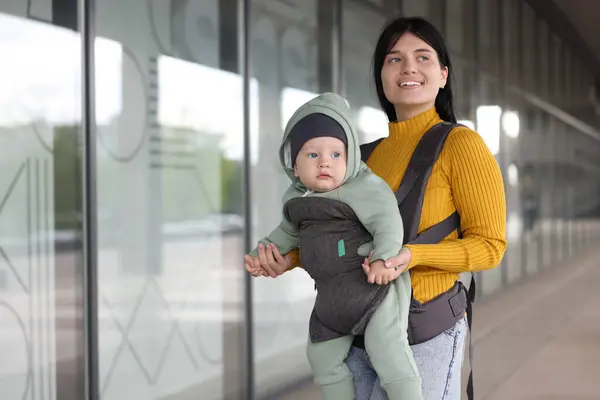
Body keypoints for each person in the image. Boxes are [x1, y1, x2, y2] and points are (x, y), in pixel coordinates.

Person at [247, 16, 507, 400]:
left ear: (443, 74)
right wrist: (291, 259)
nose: (409, 68)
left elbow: (490, 246)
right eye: (394, 59)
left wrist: (410, 255)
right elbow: (341, 240)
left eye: (423, 57)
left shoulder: (461, 145)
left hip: (424, 332)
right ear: (382, 76)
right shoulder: (360, 159)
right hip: (354, 333)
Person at [244, 92, 423, 400]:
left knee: (388, 353)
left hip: (373, 293)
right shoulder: (297, 203)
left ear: (350, 158)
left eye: (336, 155)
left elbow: (387, 221)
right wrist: (264, 252)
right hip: (331, 303)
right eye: (312, 155)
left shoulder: (363, 188)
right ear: (295, 166)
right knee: (321, 358)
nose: (325, 161)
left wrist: (384, 259)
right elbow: (286, 233)